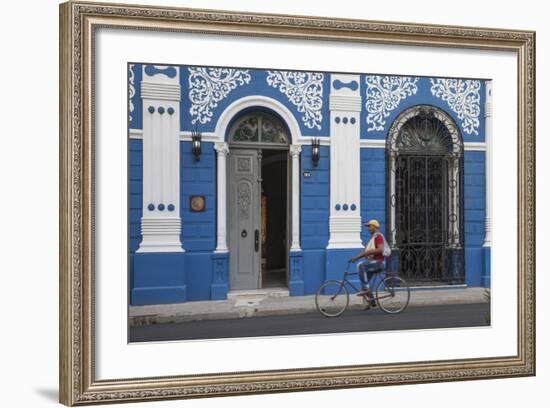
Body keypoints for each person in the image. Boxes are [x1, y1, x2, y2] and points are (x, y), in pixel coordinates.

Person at [349, 219, 387, 307]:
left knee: (361, 266)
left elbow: (381, 249)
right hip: (374, 262)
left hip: (379, 263)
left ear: (374, 227)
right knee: (364, 282)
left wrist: (368, 252)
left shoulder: (378, 237)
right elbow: (366, 252)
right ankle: (372, 301)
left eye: (369, 226)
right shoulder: (373, 238)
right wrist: (356, 257)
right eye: (368, 227)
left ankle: (366, 289)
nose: (368, 228)